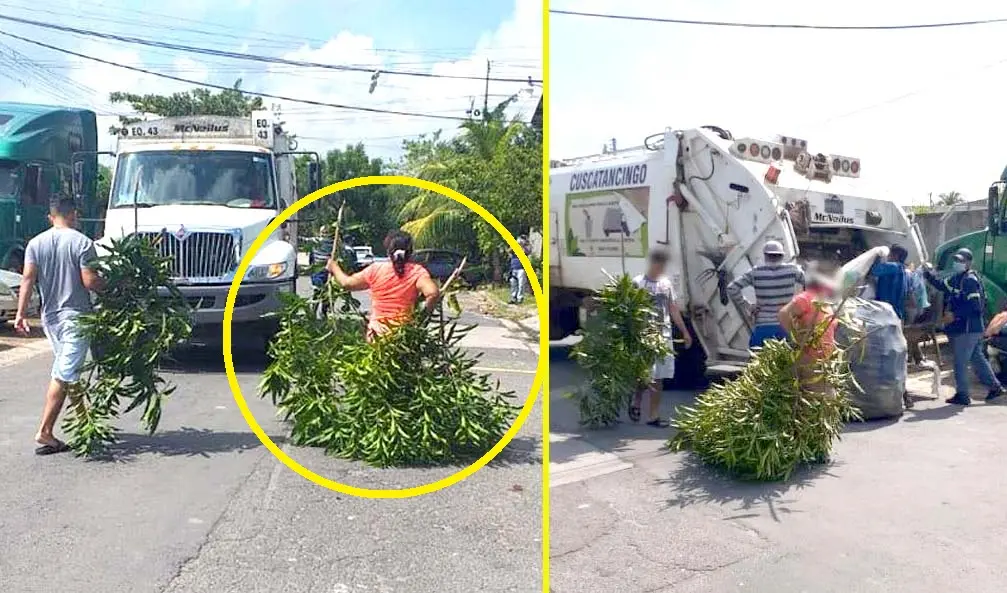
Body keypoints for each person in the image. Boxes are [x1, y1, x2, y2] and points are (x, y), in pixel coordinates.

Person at [14, 197, 105, 455]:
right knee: (64, 373)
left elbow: (28, 279)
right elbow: (90, 281)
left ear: (50, 217)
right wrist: (116, 286)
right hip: (75, 317)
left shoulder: (35, 243)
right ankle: (45, 431)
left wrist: (20, 314)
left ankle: (85, 425)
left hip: (50, 318)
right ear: (74, 214)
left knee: (68, 370)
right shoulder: (82, 242)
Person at [923, 248, 1005, 405]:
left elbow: (974, 306)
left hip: (968, 328)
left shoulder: (969, 281)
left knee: (960, 362)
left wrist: (955, 315)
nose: (957, 263)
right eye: (956, 260)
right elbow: (941, 285)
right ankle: (995, 388)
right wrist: (928, 274)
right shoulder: (957, 279)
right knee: (977, 358)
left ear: (969, 263)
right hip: (972, 329)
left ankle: (962, 395)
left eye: (961, 261)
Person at [326, 229, 439, 339]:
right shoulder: (417, 272)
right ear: (410, 251)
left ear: (388, 250)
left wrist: (334, 267)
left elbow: (346, 283)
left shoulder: (375, 269)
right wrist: (421, 319)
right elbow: (433, 293)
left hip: (377, 335)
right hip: (403, 336)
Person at [629, 248, 693, 427]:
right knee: (645, 375)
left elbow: (672, 308)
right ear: (653, 264)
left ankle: (653, 415)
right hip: (644, 335)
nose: (661, 269)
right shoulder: (637, 283)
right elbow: (631, 310)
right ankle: (636, 399)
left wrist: (684, 332)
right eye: (659, 265)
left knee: (659, 376)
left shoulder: (666, 284)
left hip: (663, 335)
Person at [726, 240, 805, 348]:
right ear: (782, 255)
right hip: (786, 326)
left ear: (765, 255)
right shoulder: (792, 270)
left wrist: (748, 306)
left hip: (763, 328)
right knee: (788, 362)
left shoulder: (755, 272)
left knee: (757, 362)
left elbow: (732, 288)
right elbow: (811, 284)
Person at [777, 265, 839, 394]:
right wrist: (797, 338)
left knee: (824, 401)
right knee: (825, 398)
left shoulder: (825, 301)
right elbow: (783, 314)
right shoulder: (807, 297)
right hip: (809, 359)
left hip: (823, 361)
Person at [869, 244, 910, 321]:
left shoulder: (892, 266)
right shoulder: (903, 270)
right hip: (896, 309)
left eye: (890, 254)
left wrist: (876, 257)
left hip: (886, 308)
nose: (888, 256)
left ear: (896, 255)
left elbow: (874, 270)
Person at [509, 235, 530, 304]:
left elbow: (528, 252)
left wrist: (523, 246)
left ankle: (520, 299)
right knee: (513, 284)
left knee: (521, 284)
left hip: (522, 268)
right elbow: (509, 251)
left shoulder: (526, 247)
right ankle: (513, 298)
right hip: (513, 268)